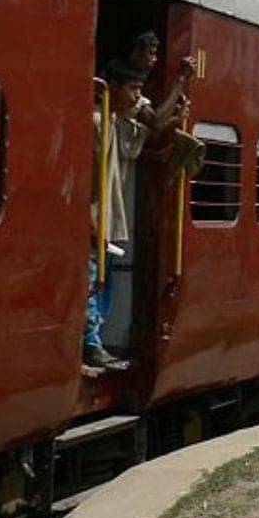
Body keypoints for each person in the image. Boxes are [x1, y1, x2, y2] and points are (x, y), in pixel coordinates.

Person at [84, 59, 186, 373]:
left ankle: (94, 339)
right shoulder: (97, 121)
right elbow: (151, 126)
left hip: (107, 220)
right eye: (133, 89)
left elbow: (145, 136)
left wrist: (174, 121)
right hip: (93, 219)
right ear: (111, 89)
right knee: (91, 281)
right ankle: (90, 344)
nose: (136, 97)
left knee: (102, 281)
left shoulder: (115, 123)